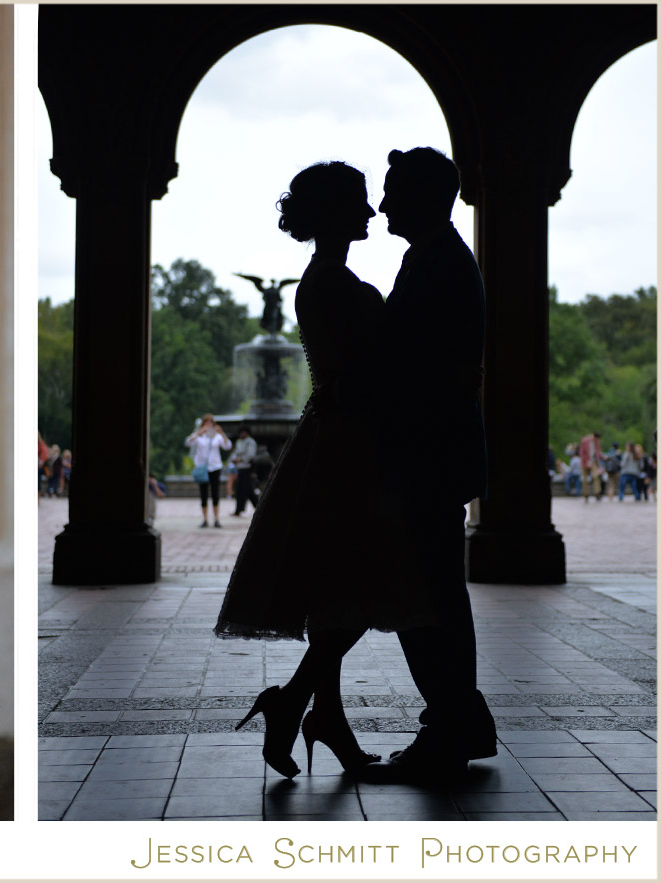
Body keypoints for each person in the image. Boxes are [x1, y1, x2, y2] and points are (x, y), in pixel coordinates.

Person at [215, 162, 423, 779]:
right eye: (359, 201)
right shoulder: (333, 282)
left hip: (334, 438)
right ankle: (305, 708)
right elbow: (371, 371)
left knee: (341, 589)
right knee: (357, 587)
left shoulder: (323, 279)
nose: (369, 212)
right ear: (334, 212)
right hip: (351, 445)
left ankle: (311, 709)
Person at [371, 147, 495, 780]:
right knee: (435, 595)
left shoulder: (438, 264)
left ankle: (450, 726)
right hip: (437, 457)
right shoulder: (439, 258)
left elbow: (409, 370)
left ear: (423, 195)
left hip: (427, 459)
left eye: (394, 191)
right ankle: (458, 721)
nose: (385, 204)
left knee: (428, 599)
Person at [186, 415, 231, 528]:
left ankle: (216, 519)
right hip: (202, 467)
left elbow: (227, 446)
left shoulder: (217, 436)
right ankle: (205, 519)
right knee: (204, 493)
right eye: (206, 423)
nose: (208, 426)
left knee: (215, 493)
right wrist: (199, 432)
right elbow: (188, 442)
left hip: (215, 467)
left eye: (210, 423)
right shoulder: (199, 436)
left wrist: (222, 433)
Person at [229, 426, 260, 515]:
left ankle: (239, 509)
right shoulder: (239, 442)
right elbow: (234, 453)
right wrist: (234, 460)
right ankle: (257, 506)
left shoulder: (250, 442)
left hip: (247, 468)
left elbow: (251, 455)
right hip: (240, 468)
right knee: (246, 490)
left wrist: (239, 460)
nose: (242, 434)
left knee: (243, 490)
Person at [580, 431, 603, 502]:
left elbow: (598, 452)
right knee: (585, 480)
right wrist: (587, 461)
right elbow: (582, 452)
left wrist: (603, 457)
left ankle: (597, 493)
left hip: (593, 462)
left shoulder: (597, 442)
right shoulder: (585, 441)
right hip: (585, 462)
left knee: (595, 477)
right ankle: (586, 494)